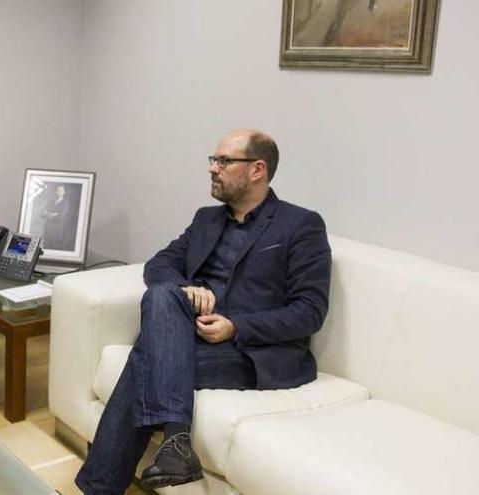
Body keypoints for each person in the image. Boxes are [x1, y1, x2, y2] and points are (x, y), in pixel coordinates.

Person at [75, 129, 331, 493]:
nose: (213, 168)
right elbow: (160, 263)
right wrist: (188, 288)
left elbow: (309, 311)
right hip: (192, 337)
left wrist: (235, 327)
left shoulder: (301, 225)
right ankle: (177, 444)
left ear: (257, 170)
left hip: (253, 353)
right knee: (163, 292)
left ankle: (100, 487)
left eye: (224, 161)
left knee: (143, 362)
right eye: (213, 160)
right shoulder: (207, 220)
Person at [40, 184, 76, 250]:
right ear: (56, 191)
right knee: (45, 248)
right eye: (58, 190)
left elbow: (60, 217)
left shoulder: (65, 203)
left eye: (61, 191)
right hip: (47, 230)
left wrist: (48, 214)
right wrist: (53, 214)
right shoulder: (50, 202)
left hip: (57, 230)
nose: (59, 192)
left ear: (64, 192)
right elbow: (42, 214)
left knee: (54, 248)